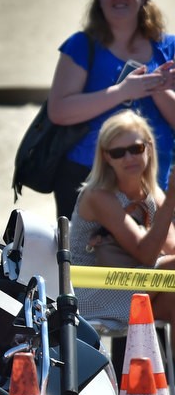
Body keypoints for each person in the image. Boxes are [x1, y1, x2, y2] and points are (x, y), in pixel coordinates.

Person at [47, 0, 175, 220]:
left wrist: (154, 87)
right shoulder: (81, 45)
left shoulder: (168, 47)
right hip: (88, 178)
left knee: (154, 257)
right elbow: (59, 111)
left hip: (155, 178)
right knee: (87, 258)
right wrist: (122, 91)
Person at [70, 110, 175, 340]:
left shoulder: (152, 194)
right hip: (90, 291)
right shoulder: (98, 195)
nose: (129, 158)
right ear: (106, 157)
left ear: (148, 147)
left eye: (135, 149)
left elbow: (171, 247)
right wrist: (172, 199)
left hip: (132, 285)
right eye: (118, 152)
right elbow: (146, 254)